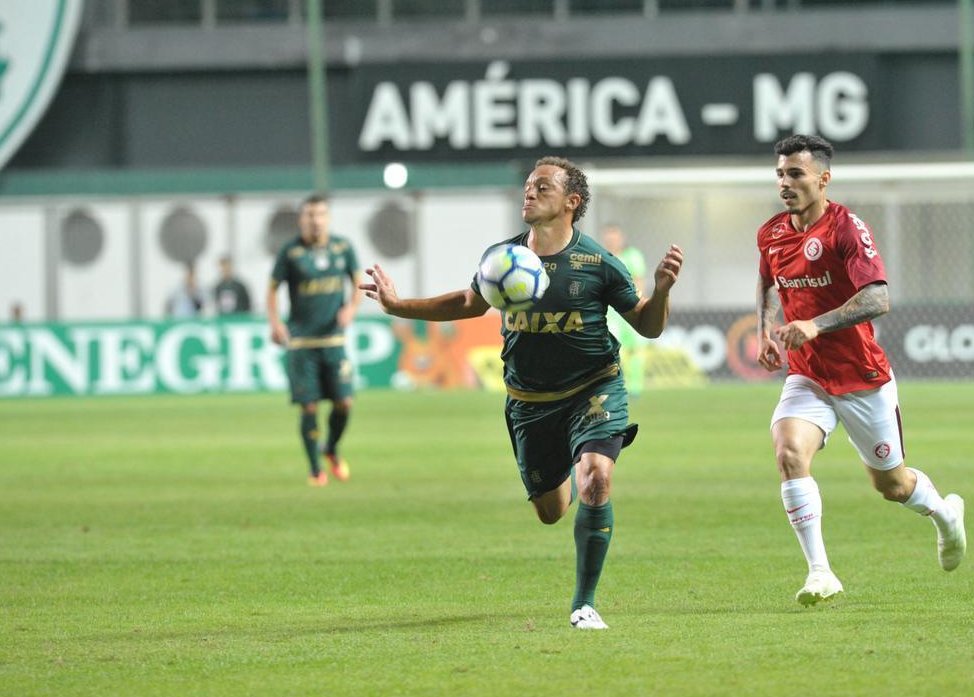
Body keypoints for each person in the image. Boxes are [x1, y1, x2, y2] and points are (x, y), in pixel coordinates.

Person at [361, 157, 684, 630]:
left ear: (572, 202)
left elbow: (648, 326)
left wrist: (661, 291)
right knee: (551, 512)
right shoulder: (502, 258)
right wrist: (397, 305)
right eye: (528, 185)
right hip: (530, 403)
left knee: (596, 478)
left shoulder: (598, 264)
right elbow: (469, 303)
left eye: (542, 186)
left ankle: (583, 603)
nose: (529, 192)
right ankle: (572, 464)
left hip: (593, 388)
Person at [756, 134, 966, 606]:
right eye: (780, 173)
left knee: (891, 485)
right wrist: (765, 329)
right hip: (808, 375)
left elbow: (878, 298)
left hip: (860, 376)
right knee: (789, 452)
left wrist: (815, 324)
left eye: (795, 174)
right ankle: (820, 572)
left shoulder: (847, 228)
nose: (785, 182)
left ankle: (944, 514)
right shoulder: (770, 233)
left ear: (823, 180)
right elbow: (767, 280)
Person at [268, 195, 360, 486]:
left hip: (333, 341)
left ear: (328, 218)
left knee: (344, 402)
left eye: (320, 214)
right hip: (302, 344)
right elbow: (272, 289)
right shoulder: (291, 251)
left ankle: (330, 448)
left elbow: (357, 283)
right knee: (309, 407)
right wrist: (275, 322)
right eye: (310, 215)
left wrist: (351, 309)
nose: (315, 220)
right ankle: (314, 469)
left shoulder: (343, 248)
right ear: (301, 219)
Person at [601, 224, 649, 397]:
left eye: (614, 237)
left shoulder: (633, 256)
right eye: (608, 238)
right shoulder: (601, 258)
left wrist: (638, 304)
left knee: (637, 348)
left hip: (629, 307)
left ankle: (635, 387)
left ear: (621, 238)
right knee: (614, 349)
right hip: (610, 312)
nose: (611, 241)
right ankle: (616, 384)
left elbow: (639, 280)